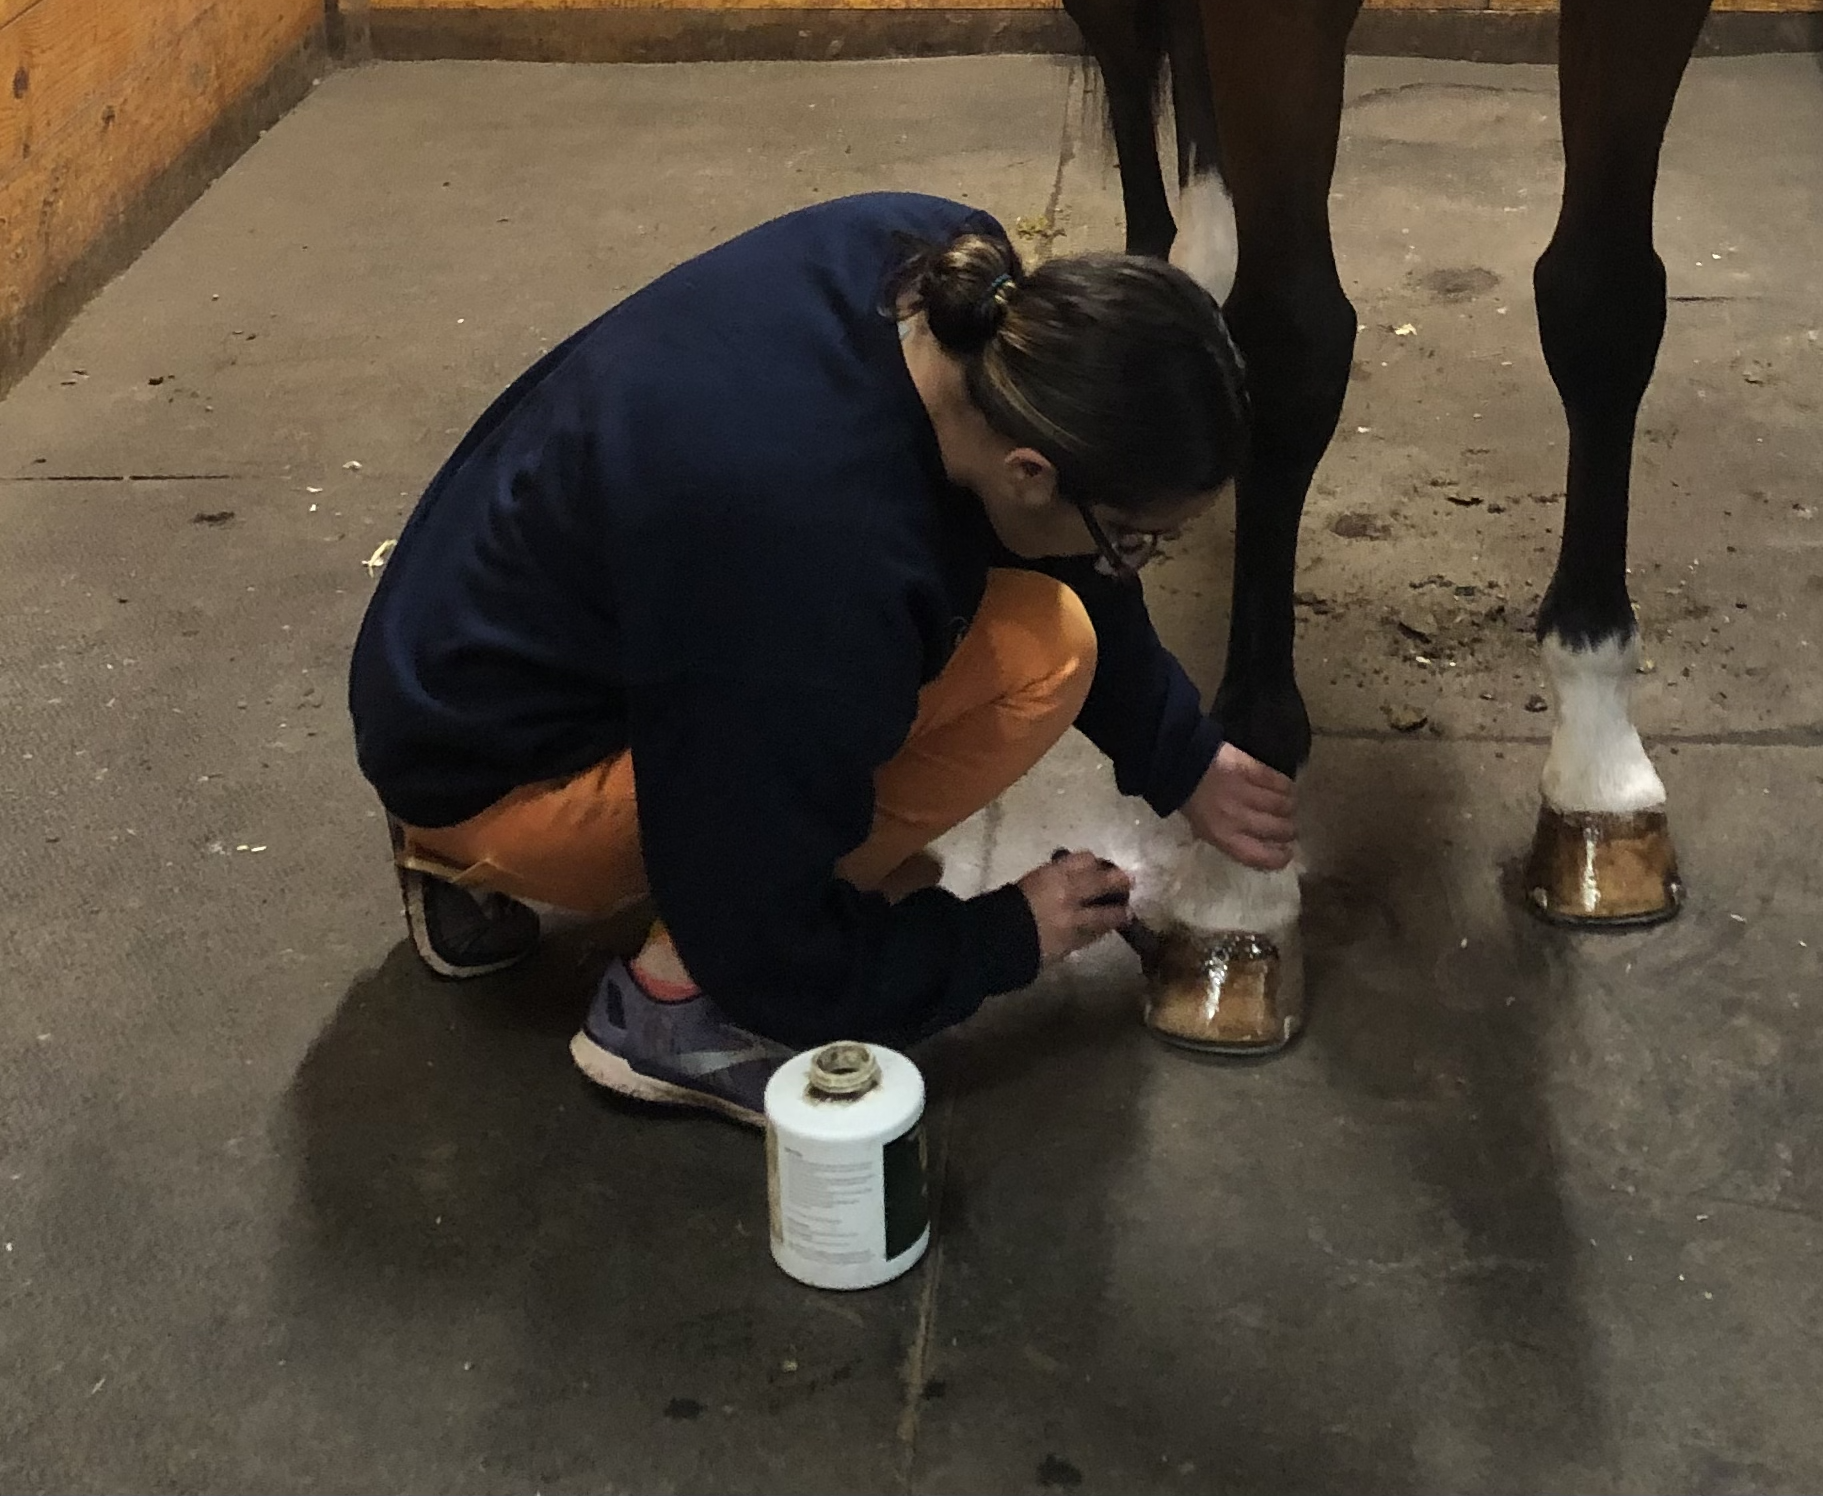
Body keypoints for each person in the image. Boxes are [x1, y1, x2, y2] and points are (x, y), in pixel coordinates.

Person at [349, 191, 1296, 1126]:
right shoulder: (815, 558)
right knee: (1044, 656)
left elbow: (1058, 531)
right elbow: (769, 941)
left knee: (1012, 620)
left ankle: (461, 845)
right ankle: (670, 1011)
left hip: (453, 643)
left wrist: (1183, 753)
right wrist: (1001, 936)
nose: (1131, 565)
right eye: (1133, 540)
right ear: (1030, 472)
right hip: (491, 769)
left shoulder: (948, 269)